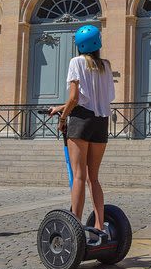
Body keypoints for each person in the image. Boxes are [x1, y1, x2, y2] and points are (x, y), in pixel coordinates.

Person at [49, 25, 115, 237]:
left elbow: (76, 98)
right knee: (93, 178)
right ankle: (99, 226)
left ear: (79, 45)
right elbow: (97, 98)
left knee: (78, 176)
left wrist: (62, 116)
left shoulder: (75, 62)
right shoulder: (105, 65)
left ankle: (74, 227)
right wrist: (61, 108)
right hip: (101, 122)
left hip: (80, 122)